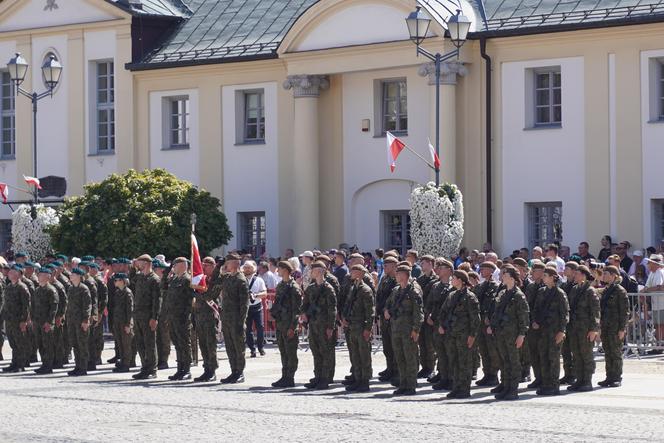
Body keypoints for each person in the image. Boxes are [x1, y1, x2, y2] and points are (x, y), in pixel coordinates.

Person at [488, 265, 529, 400]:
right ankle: (506, 386)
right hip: (501, 333)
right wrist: (492, 326)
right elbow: (496, 312)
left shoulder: (518, 295)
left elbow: (524, 317)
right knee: (504, 361)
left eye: (504, 275)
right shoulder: (503, 293)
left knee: (514, 362)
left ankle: (513, 389)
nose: (501, 277)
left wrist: (521, 335)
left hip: (513, 334)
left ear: (511, 277)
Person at [438, 270, 480, 399]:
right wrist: (442, 325)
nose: (452, 280)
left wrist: (472, 335)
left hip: (464, 334)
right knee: (454, 361)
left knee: (464, 362)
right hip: (452, 334)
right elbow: (443, 311)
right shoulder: (452, 295)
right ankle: (456, 387)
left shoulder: (470, 297)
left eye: (454, 278)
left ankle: (464, 389)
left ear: (461, 280)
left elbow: (475, 318)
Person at [385, 262, 424, 396]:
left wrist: (416, 330)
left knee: (410, 357)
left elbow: (419, 312)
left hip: (408, 330)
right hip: (396, 329)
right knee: (399, 358)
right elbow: (388, 304)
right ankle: (403, 383)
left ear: (405, 275)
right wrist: (386, 311)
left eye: (398, 273)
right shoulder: (396, 290)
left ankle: (411, 385)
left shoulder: (414, 291)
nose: (396, 275)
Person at [531, 267, 569, 396]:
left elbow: (564, 314)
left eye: (546, 275)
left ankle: (554, 385)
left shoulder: (559, 293)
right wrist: (535, 321)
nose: (543, 277)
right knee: (544, 357)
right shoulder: (541, 291)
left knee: (553, 358)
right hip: (543, 330)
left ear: (553, 277)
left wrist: (561, 331)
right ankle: (546, 384)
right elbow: (536, 309)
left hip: (554, 331)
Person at [301, 261, 337, 390]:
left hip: (324, 325)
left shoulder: (328, 289)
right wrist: (304, 313)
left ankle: (325, 378)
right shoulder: (311, 288)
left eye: (314, 270)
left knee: (325, 352)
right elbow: (304, 304)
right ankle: (317, 376)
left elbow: (332, 309)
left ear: (321, 271)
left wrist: (330, 327)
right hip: (314, 324)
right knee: (316, 352)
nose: (311, 272)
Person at [341, 264, 374, 393]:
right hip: (352, 326)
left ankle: (364, 382)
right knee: (355, 355)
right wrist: (344, 317)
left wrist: (368, 328)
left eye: (354, 270)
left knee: (363, 355)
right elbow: (348, 305)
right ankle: (357, 379)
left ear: (361, 272)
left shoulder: (365, 290)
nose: (351, 272)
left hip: (361, 326)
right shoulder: (353, 287)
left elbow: (370, 311)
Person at [567, 265, 600, 392]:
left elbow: (595, 312)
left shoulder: (590, 291)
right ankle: (579, 380)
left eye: (576, 273)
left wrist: (594, 329)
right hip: (575, 328)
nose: (574, 276)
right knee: (576, 355)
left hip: (586, 329)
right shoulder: (575, 289)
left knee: (586, 355)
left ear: (583, 275)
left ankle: (587, 381)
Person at [269, 261, 302, 388]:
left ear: (286, 270)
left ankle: (290, 377)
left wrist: (293, 327)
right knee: (283, 351)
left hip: (289, 325)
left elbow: (296, 310)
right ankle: (284, 376)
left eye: (280, 269)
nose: (277, 271)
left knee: (291, 353)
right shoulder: (281, 285)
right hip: (280, 324)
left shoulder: (294, 287)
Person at [219, 253, 250, 384]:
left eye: (229, 262)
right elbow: (216, 280)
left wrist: (241, 321)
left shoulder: (240, 279)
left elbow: (244, 304)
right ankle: (233, 371)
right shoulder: (227, 278)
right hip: (226, 319)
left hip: (236, 320)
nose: (226, 263)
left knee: (238, 347)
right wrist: (218, 267)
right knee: (230, 347)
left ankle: (240, 372)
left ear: (236, 263)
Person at [163, 257, 194, 381]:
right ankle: (179, 369)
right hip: (172, 317)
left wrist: (185, 315)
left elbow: (190, 300)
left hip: (182, 317)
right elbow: (163, 287)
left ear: (181, 265)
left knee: (184, 343)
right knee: (177, 344)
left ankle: (186, 369)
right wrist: (167, 272)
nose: (173, 267)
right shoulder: (174, 279)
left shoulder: (187, 280)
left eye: (174, 265)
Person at [598, 266, 629, 388]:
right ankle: (609, 377)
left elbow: (625, 311)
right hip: (606, 326)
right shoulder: (607, 290)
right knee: (608, 352)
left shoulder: (620, 291)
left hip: (615, 327)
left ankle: (616, 377)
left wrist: (622, 328)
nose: (603, 275)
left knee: (615, 353)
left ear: (614, 275)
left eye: (606, 273)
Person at [132, 254, 162, 380]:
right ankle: (144, 367)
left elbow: (157, 300)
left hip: (148, 316)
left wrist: (154, 317)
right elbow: (130, 279)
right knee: (140, 343)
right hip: (138, 315)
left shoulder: (154, 279)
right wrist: (133, 268)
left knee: (149, 343)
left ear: (147, 263)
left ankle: (152, 369)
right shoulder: (139, 277)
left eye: (140, 262)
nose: (138, 264)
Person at [193, 257, 222, 382]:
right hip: (200, 315)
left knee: (211, 344)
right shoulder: (201, 280)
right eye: (202, 265)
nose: (203, 267)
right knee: (203, 344)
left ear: (213, 266)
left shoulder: (218, 279)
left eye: (207, 265)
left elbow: (211, 294)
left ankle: (212, 370)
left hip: (210, 315)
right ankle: (206, 369)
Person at [427, 258, 454, 390]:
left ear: (449, 270)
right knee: (440, 352)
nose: (438, 270)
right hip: (437, 323)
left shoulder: (453, 286)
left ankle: (451, 378)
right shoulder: (436, 286)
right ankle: (444, 376)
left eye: (441, 268)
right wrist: (428, 315)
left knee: (449, 352)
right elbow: (430, 303)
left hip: (449, 325)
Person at [474, 261, 501, 386]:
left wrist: (489, 318)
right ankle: (487, 374)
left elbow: (495, 306)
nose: (481, 271)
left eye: (484, 269)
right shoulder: (480, 287)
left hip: (489, 323)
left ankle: (494, 375)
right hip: (480, 323)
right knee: (483, 349)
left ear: (491, 271)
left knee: (492, 350)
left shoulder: (496, 287)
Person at [2, 265, 31, 373]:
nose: (9, 274)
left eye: (12, 272)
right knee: (13, 343)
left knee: (20, 343)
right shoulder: (9, 287)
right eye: (10, 272)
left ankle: (21, 364)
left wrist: (24, 320)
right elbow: (6, 304)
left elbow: (26, 306)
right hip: (9, 320)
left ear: (18, 274)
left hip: (19, 320)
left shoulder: (22, 287)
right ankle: (14, 363)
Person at [376, 256, 399, 383]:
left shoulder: (397, 280)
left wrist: (387, 309)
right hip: (383, 316)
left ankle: (396, 371)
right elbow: (380, 296)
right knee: (387, 346)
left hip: (392, 316)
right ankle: (390, 368)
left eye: (387, 265)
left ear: (394, 266)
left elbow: (393, 299)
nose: (384, 267)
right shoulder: (384, 279)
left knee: (394, 346)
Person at [32, 267, 59, 374]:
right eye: (39, 275)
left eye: (42, 275)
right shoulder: (37, 290)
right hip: (38, 322)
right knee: (40, 344)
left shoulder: (51, 290)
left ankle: (48, 366)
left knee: (48, 345)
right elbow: (33, 306)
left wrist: (49, 321)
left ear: (48, 277)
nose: (39, 277)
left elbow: (54, 307)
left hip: (46, 322)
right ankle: (44, 364)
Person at [66, 268, 92, 376]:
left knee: (82, 344)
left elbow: (87, 306)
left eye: (73, 274)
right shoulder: (71, 288)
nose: (71, 276)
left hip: (81, 321)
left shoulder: (84, 289)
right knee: (75, 344)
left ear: (79, 276)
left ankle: (83, 367)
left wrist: (86, 320)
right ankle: (77, 366)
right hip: (72, 321)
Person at [416, 255, 437, 379]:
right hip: (421, 315)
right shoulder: (420, 279)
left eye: (423, 263)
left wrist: (431, 315)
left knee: (430, 344)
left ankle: (431, 368)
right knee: (422, 342)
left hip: (429, 315)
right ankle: (424, 367)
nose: (421, 265)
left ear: (430, 263)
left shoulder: (436, 279)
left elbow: (435, 300)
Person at [559, 261, 578, 385]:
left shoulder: (577, 286)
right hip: (566, 321)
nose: (564, 270)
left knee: (574, 350)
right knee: (565, 350)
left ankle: (575, 374)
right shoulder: (565, 285)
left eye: (567, 268)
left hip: (575, 322)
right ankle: (568, 374)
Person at [243, 260, 267, 358]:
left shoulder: (259, 280)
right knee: (248, 329)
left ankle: (261, 347)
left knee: (260, 327)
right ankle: (252, 349)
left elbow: (264, 293)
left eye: (249, 267)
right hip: (246, 307)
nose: (247, 269)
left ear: (254, 268)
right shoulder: (241, 279)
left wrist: (255, 295)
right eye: (246, 267)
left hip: (257, 307)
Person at [111, 273, 134, 373]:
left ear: (123, 281)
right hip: (118, 322)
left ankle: (126, 364)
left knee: (126, 344)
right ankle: (122, 362)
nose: (115, 282)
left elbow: (130, 310)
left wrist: (129, 324)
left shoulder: (127, 293)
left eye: (117, 280)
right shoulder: (117, 292)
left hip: (125, 322)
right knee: (120, 343)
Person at [641, 254, 664, 340]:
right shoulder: (652, 273)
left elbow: (660, 286)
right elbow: (647, 287)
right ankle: (658, 345)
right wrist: (644, 290)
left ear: (654, 263)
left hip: (662, 304)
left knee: (660, 324)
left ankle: (660, 345)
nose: (647, 264)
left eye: (649, 262)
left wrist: (646, 290)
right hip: (656, 304)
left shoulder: (660, 272)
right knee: (658, 324)